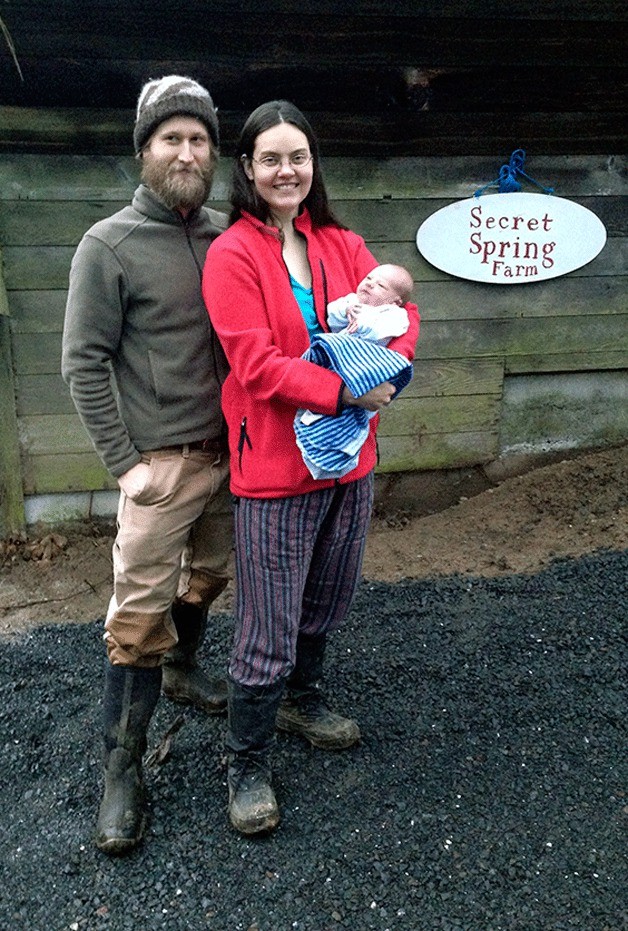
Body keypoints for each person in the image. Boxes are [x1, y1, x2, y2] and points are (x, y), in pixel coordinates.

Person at [202, 100, 419, 836]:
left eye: (298, 156)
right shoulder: (232, 254)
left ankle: (303, 698)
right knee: (268, 621)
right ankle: (246, 760)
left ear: (313, 164)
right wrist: (345, 389)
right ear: (248, 167)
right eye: (270, 158)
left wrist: (390, 369)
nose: (286, 170)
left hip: (349, 463)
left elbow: (402, 314)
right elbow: (256, 364)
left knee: (328, 593)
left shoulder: (342, 242)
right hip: (273, 466)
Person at [61, 75, 232, 856]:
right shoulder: (109, 245)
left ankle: (183, 666)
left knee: (212, 575)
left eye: (199, 139)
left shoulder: (232, 236)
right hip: (160, 469)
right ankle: (122, 770)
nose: (187, 152)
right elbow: (82, 362)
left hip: (231, 457)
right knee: (136, 619)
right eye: (172, 139)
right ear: (145, 150)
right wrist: (125, 465)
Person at [326, 263, 414, 346]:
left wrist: (363, 325)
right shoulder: (352, 300)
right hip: (335, 346)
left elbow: (385, 330)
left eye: (381, 285)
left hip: (365, 352)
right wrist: (345, 311)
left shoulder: (394, 314)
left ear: (395, 302)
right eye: (368, 278)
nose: (369, 283)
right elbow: (331, 318)